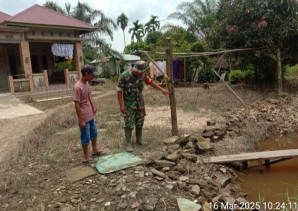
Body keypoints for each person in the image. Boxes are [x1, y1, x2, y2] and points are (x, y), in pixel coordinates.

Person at [117, 60, 170, 152]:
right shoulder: (124, 76)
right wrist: (121, 105)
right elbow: (119, 91)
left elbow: (150, 82)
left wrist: (162, 89)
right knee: (129, 122)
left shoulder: (143, 75)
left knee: (140, 120)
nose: (141, 73)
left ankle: (139, 139)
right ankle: (128, 143)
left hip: (140, 102)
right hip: (129, 103)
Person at [73, 65, 106, 164]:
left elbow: (89, 96)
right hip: (83, 115)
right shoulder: (77, 87)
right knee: (85, 136)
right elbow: (77, 105)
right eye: (92, 75)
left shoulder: (87, 83)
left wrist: (93, 106)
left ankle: (95, 150)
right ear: (86, 74)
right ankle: (86, 156)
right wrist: (80, 119)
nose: (93, 77)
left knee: (94, 132)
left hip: (90, 114)